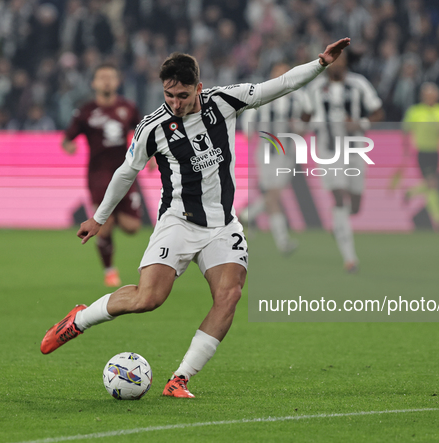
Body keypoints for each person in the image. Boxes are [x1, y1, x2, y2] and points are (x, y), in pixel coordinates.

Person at [41, 38, 352, 398]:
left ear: (199, 88)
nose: (175, 103)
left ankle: (180, 378)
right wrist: (98, 218)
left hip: (222, 224)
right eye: (169, 95)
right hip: (178, 220)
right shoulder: (152, 127)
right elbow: (127, 172)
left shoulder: (223, 101)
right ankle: (78, 319)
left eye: (183, 96)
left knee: (230, 294)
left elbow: (278, 86)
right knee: (148, 299)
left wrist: (320, 63)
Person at [62, 63, 143, 287]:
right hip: (98, 174)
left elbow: (143, 134)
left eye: (110, 77)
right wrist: (68, 145)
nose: (106, 81)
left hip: (125, 172)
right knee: (103, 224)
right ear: (94, 83)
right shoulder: (85, 111)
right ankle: (109, 271)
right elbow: (68, 137)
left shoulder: (128, 108)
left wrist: (152, 157)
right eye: (102, 77)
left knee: (132, 227)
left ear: (117, 82)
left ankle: (113, 216)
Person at [305, 51, 384, 273]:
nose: (336, 64)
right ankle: (350, 259)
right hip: (328, 151)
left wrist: (360, 123)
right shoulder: (315, 88)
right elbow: (305, 115)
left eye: (341, 60)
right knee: (339, 197)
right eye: (333, 60)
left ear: (347, 62)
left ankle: (339, 225)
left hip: (355, 150)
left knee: (355, 205)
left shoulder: (359, 84)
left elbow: (378, 112)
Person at [239, 62, 312, 255]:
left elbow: (305, 125)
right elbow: (248, 118)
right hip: (264, 153)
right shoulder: (262, 93)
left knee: (272, 196)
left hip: (285, 154)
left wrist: (297, 126)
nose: (280, 75)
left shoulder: (299, 97)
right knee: (272, 197)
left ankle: (247, 215)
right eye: (277, 72)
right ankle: (283, 242)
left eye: (284, 72)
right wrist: (248, 131)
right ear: (272, 74)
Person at [402, 82, 439, 230]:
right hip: (422, 152)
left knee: (432, 186)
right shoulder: (415, 111)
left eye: (432, 95)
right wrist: (406, 149)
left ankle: (412, 192)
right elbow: (406, 129)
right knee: (432, 184)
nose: (430, 97)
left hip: (436, 152)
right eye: (427, 95)